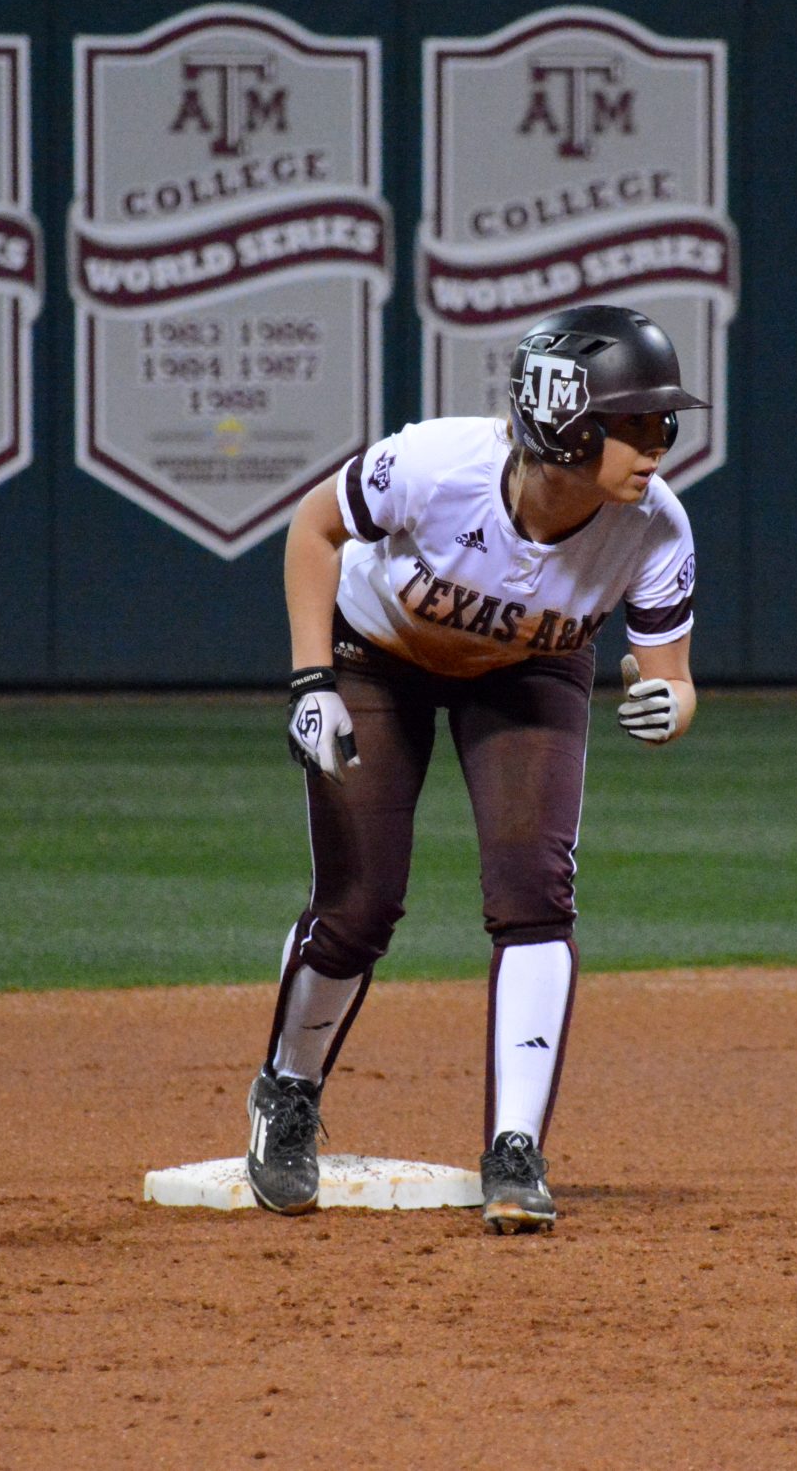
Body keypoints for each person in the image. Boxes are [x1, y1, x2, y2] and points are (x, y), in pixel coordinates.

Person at [248, 302, 707, 1232]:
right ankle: (286, 1093)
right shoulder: (437, 465)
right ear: (565, 421)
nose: (657, 445)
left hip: (531, 670)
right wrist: (310, 680)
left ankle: (516, 1147)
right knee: (360, 902)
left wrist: (671, 708)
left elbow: (673, 678)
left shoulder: (655, 527)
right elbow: (312, 528)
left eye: (665, 423)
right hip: (378, 656)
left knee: (535, 890)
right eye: (636, 424)